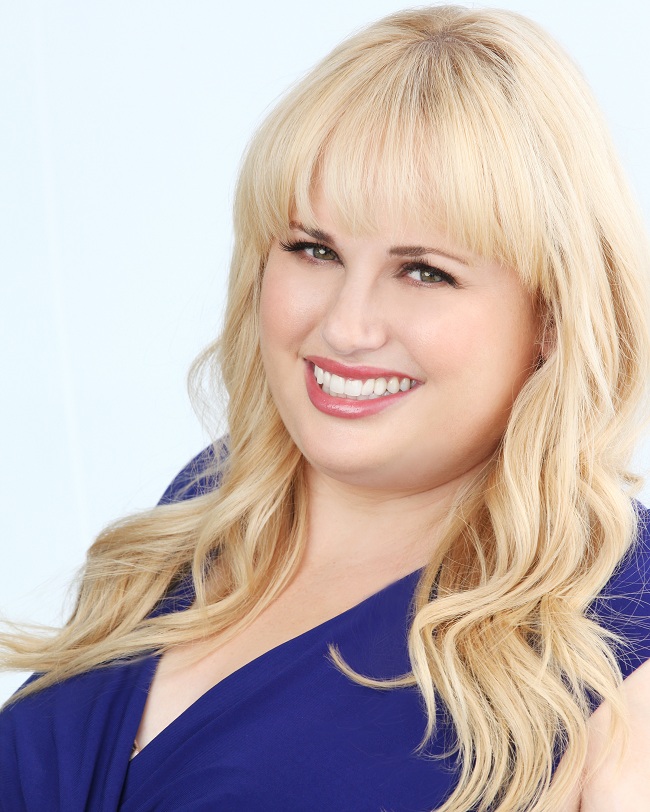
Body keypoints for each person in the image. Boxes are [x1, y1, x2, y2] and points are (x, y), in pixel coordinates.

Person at [2, 5, 650, 811]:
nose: (345, 325)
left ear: (551, 315)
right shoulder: (214, 507)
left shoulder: (617, 626)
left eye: (424, 271)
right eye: (314, 250)